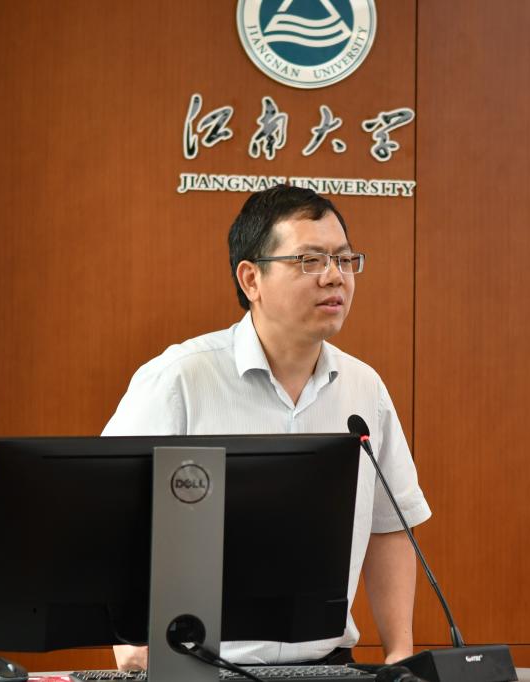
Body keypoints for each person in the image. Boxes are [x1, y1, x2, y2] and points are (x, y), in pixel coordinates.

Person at [102, 185, 431, 668]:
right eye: (310, 261)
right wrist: (129, 646)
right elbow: (108, 519)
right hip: (197, 668)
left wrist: (399, 651)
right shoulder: (179, 380)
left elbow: (390, 527)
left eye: (344, 259)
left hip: (328, 665)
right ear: (251, 278)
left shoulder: (364, 389)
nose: (334, 277)